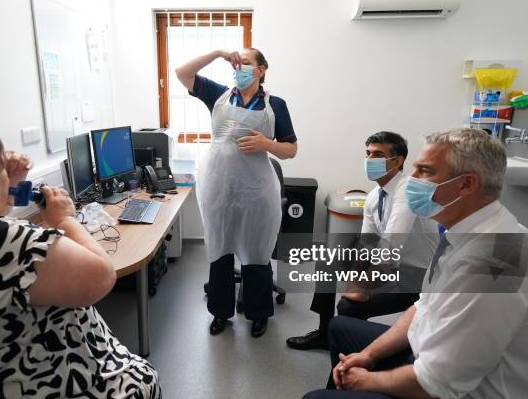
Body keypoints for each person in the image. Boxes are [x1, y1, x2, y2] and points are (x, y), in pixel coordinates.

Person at [0, 120, 161, 398]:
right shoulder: (9, 240)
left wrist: (9, 183)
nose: (7, 178)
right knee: (143, 380)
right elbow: (102, 277)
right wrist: (64, 220)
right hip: (35, 381)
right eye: (0, 171)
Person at [303, 128, 528, 399]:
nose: (412, 179)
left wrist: (365, 381)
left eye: (425, 171)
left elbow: (437, 384)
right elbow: (422, 304)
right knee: (339, 324)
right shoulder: (463, 232)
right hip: (424, 351)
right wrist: (367, 355)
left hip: (449, 390)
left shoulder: (491, 266)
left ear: (467, 184)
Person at [176, 49, 298, 337]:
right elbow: (182, 73)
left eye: (246, 63)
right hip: (218, 186)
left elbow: (291, 149)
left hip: (257, 191)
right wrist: (218, 53)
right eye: (236, 62)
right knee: (219, 249)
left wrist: (266, 144)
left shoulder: (275, 105)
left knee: (257, 252)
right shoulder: (219, 95)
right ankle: (219, 313)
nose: (238, 67)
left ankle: (258, 314)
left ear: (261, 70)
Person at [287, 132, 437, 351]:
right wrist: (356, 276)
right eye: (367, 153)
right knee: (328, 264)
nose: (369, 159)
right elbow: (366, 244)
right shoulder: (375, 196)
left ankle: (358, 350)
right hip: (391, 268)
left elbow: (389, 249)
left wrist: (361, 286)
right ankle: (324, 333)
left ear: (397, 161)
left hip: (416, 276)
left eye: (378, 154)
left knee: (349, 306)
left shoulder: (408, 190)